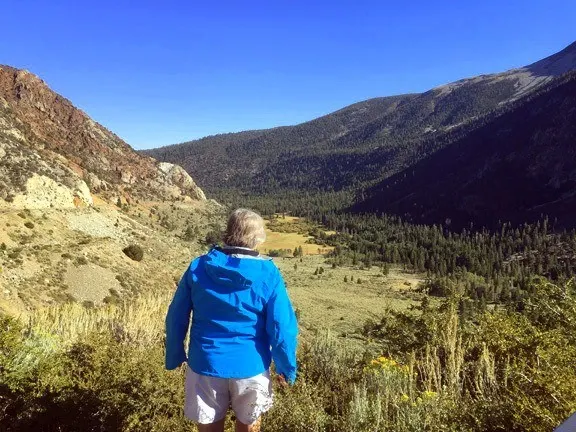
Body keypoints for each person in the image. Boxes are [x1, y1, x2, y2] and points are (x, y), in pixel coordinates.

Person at [165, 208, 298, 432]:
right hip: (251, 365)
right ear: (257, 238)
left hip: (205, 362)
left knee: (208, 426)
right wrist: (286, 367)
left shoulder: (198, 266)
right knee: (249, 424)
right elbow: (281, 327)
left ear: (228, 232)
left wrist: (175, 355)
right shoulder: (269, 273)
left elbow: (176, 316)